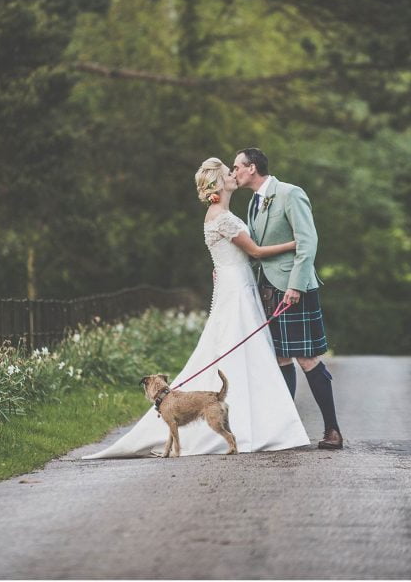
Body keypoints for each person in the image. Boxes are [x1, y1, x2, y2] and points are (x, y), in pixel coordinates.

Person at [83, 158, 310, 458]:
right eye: (228, 173)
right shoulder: (222, 217)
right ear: (218, 183)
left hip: (235, 284)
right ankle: (246, 427)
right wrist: (294, 244)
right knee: (242, 353)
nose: (233, 175)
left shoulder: (219, 214)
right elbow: (254, 251)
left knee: (246, 352)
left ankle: (257, 423)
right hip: (237, 290)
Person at [232, 147, 343, 450]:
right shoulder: (254, 202)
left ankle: (332, 429)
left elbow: (308, 242)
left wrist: (295, 286)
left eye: (237, 167)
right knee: (280, 359)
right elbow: (257, 250)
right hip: (266, 289)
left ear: (252, 168)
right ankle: (287, 431)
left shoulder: (290, 193)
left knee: (307, 359)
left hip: (293, 288)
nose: (234, 172)